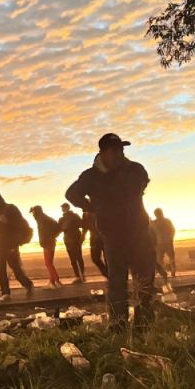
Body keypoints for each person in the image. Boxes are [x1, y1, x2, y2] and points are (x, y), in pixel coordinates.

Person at [65, 133, 156, 329]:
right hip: (113, 235)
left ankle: (145, 321)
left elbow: (142, 183)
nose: (118, 153)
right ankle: (118, 322)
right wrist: (91, 206)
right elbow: (71, 194)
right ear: (103, 152)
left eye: (121, 149)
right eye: (114, 150)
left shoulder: (135, 169)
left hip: (139, 231)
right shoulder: (91, 176)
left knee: (145, 278)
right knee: (117, 281)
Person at [0, 190, 35, 302]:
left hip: (11, 243)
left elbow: (20, 223)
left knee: (15, 266)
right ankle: (5, 293)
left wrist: (7, 221)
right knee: (1, 269)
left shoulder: (11, 208)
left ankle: (28, 284)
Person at [29, 205, 63, 289]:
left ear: (37, 212)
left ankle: (54, 282)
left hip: (47, 243)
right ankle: (54, 282)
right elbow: (59, 228)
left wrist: (49, 237)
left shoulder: (42, 220)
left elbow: (51, 229)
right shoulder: (45, 218)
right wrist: (54, 236)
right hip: (51, 242)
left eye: (34, 212)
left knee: (48, 263)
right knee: (50, 263)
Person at [58, 203, 86, 283]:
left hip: (75, 239)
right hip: (67, 240)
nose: (62, 209)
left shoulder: (74, 216)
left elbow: (81, 225)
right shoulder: (61, 219)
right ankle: (78, 276)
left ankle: (81, 275)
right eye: (62, 207)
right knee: (73, 259)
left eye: (63, 207)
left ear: (67, 208)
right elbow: (59, 229)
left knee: (78, 257)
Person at [151, 208, 176, 277]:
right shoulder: (155, 222)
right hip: (162, 242)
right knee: (162, 258)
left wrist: (171, 238)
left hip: (162, 242)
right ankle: (166, 272)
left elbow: (172, 230)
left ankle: (170, 271)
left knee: (166, 258)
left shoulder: (155, 222)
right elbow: (172, 230)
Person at [82, 210, 108, 277]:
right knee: (95, 258)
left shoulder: (100, 211)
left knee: (107, 258)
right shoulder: (85, 214)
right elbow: (85, 228)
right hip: (94, 239)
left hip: (104, 238)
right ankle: (107, 274)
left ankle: (110, 276)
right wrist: (82, 238)